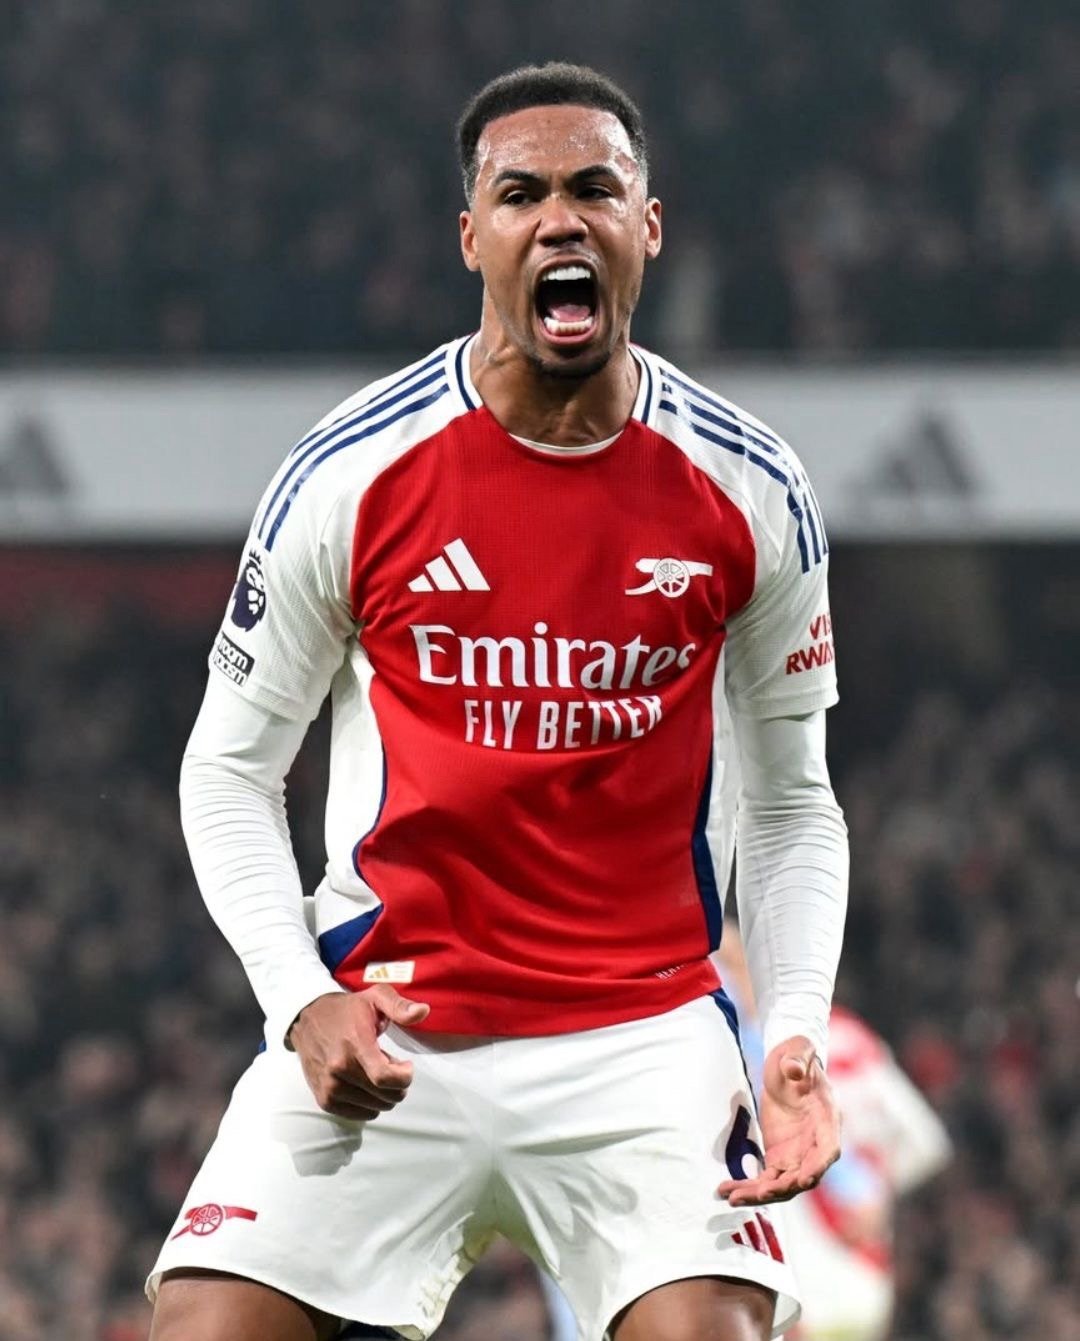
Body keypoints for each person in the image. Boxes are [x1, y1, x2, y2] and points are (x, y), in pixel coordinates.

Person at [146, 62, 849, 1341]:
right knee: (205, 1326)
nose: (559, 219)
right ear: (473, 237)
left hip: (643, 1035)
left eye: (595, 190)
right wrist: (298, 998)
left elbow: (797, 804)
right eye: (521, 195)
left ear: (648, 228)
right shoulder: (353, 474)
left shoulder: (749, 488)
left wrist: (792, 1026)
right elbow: (227, 771)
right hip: (394, 1016)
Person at [715, 930, 951, 1341]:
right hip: (857, 1276)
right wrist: (876, 1193)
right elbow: (925, 1142)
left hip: (804, 1281)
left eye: (730, 972)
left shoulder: (749, 1057)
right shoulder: (848, 1036)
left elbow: (926, 1142)